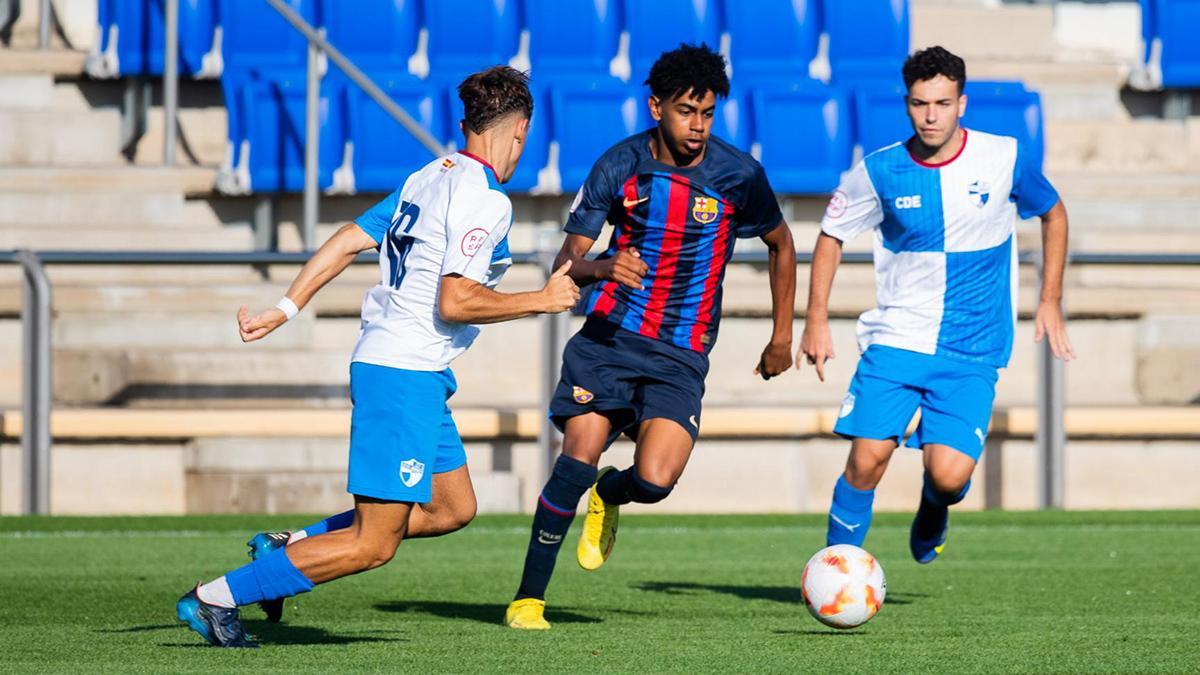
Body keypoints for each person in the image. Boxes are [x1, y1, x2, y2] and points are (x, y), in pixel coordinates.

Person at [175, 66, 580, 648]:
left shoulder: (428, 177)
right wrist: (540, 300)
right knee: (374, 544)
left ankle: (288, 549)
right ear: (520, 131)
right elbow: (457, 299)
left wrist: (285, 308)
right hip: (403, 372)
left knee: (451, 507)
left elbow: (346, 238)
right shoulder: (485, 199)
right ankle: (218, 596)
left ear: (467, 125)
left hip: (408, 368)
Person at [504, 43, 797, 630]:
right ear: (656, 106)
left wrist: (782, 335)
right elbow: (564, 268)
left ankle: (610, 498)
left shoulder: (739, 175)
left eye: (708, 113)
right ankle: (529, 598)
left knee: (656, 482)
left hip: (681, 356)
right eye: (687, 110)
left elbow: (782, 244)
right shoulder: (619, 166)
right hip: (610, 342)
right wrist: (603, 266)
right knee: (576, 460)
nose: (698, 126)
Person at [798, 46, 1075, 563]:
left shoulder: (1005, 158)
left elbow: (1054, 214)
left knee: (948, 477)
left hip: (972, 347)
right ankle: (836, 570)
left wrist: (1051, 298)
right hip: (899, 337)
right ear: (907, 103)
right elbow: (831, 234)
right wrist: (816, 319)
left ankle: (935, 504)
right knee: (866, 460)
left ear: (961, 104)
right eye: (921, 103)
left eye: (942, 103)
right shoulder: (879, 170)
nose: (931, 115)